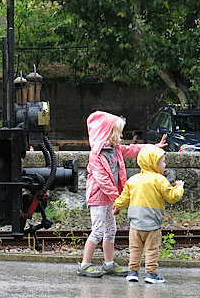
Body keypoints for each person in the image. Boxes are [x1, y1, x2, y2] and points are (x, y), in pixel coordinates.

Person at [77, 111, 163, 277]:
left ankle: (108, 264)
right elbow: (103, 182)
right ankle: (84, 264)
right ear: (108, 133)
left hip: (112, 199)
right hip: (99, 199)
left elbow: (133, 149)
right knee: (98, 230)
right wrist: (119, 200)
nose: (122, 135)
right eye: (119, 132)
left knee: (110, 230)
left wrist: (153, 147)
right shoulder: (96, 155)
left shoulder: (116, 149)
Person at [114, 145, 185, 284]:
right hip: (153, 225)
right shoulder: (160, 180)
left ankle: (132, 272)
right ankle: (151, 274)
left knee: (135, 249)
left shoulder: (133, 180)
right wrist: (179, 188)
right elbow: (171, 197)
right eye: (163, 161)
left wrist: (116, 206)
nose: (165, 164)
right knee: (152, 250)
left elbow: (124, 199)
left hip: (135, 224)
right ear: (153, 162)